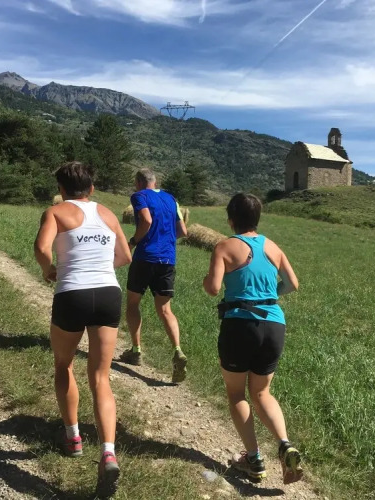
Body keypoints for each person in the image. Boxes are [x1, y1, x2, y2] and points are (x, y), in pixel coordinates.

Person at [34, 161, 131, 497]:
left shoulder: (55, 212)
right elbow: (125, 256)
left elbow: (41, 249)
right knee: (101, 377)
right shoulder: (108, 214)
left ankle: (73, 437)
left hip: (72, 292)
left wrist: (49, 270)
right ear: (91, 188)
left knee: (64, 364)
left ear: (61, 189)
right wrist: (102, 266)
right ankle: (108, 452)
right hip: (107, 293)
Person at [202, 193, 303, 484]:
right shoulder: (273, 247)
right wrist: (268, 297)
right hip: (274, 325)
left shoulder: (225, 246)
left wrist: (207, 281)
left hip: (240, 325)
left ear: (231, 219)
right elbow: (293, 284)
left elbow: (213, 288)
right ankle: (285, 444)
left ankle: (254, 459)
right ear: (257, 219)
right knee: (262, 392)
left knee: (236, 394)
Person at [119, 168, 189, 383]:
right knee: (165, 309)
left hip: (145, 258)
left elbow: (146, 220)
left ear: (139, 182)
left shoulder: (139, 196)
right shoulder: (171, 199)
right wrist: (165, 240)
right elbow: (183, 231)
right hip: (167, 260)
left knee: (133, 304)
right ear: (155, 181)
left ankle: (136, 350)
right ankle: (177, 350)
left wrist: (133, 241)